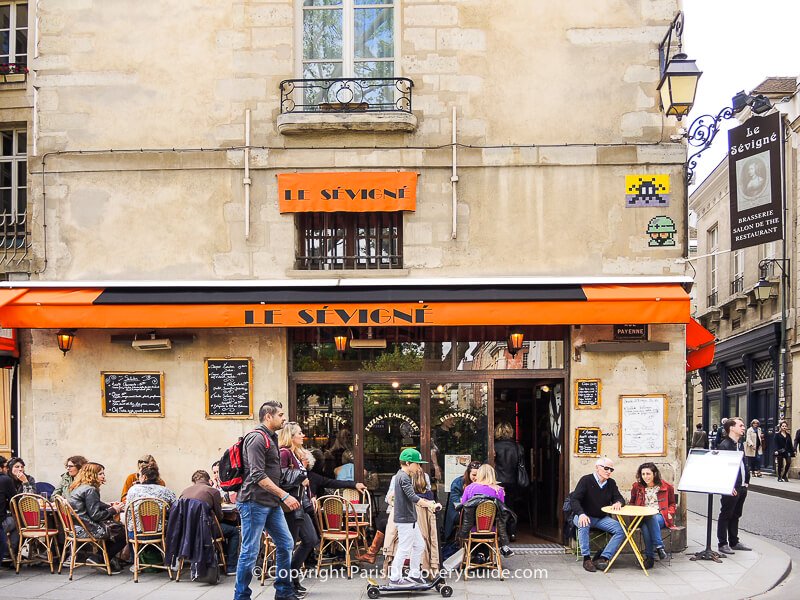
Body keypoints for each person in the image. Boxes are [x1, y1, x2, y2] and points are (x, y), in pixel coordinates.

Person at [235, 401, 300, 600]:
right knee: (250, 552)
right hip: (253, 502)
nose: (284, 418)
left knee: (286, 543)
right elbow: (257, 475)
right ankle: (241, 596)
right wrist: (285, 495)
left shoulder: (271, 438)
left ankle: (283, 591)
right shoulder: (256, 438)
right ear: (268, 417)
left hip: (270, 503)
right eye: (280, 415)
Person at [386, 448, 439, 587]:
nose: (419, 467)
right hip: (405, 520)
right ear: (408, 463)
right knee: (404, 549)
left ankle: (414, 575)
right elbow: (413, 497)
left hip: (409, 519)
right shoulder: (403, 477)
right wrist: (429, 505)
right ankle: (395, 578)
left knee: (419, 545)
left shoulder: (402, 476)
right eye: (417, 463)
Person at [279, 422, 319, 597]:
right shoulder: (284, 453)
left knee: (311, 539)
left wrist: (310, 495)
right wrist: (301, 479)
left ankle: (293, 578)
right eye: (300, 433)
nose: (303, 436)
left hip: (301, 504)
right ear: (291, 436)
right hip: (290, 506)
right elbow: (281, 477)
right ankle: (288, 584)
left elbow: (303, 480)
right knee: (290, 544)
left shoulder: (295, 454)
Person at [68, 462, 126, 574]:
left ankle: (104, 558)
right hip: (86, 529)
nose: (103, 476)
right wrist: (113, 510)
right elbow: (96, 515)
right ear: (92, 475)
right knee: (122, 534)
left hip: (75, 527)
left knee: (115, 530)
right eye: (100, 474)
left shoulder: (80, 487)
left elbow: (95, 504)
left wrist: (110, 506)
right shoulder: (91, 490)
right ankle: (99, 558)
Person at [570, 457, 625, 573]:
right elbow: (574, 500)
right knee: (584, 523)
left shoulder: (611, 483)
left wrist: (618, 502)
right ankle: (586, 559)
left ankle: (603, 557)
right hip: (583, 515)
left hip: (601, 518)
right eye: (606, 468)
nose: (609, 471)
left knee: (621, 530)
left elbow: (619, 497)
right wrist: (581, 514)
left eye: (611, 469)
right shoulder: (586, 480)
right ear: (597, 468)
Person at [180, 469, 239, 575]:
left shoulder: (184, 492)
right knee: (234, 531)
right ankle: (231, 567)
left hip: (187, 532)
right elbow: (219, 516)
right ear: (208, 480)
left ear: (194, 481)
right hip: (207, 531)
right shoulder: (212, 491)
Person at [628, 462, 676, 569]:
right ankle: (659, 547)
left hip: (660, 516)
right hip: (641, 517)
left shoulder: (666, 487)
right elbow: (632, 502)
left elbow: (672, 503)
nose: (645, 477)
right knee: (646, 523)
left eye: (648, 474)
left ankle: (650, 558)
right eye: (643, 474)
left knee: (650, 519)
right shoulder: (637, 487)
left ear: (654, 474)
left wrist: (670, 513)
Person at [460, 463, 514, 557]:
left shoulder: (469, 488)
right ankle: (491, 553)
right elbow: (501, 510)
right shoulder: (499, 490)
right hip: (492, 528)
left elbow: (463, 506)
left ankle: (475, 556)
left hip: (472, 527)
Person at [717, 416, 751, 555]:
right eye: (741, 425)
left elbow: (743, 465)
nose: (743, 427)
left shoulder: (739, 444)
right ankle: (722, 543)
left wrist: (746, 481)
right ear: (731, 428)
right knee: (726, 513)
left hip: (742, 486)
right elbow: (722, 469)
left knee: (736, 514)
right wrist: (728, 486)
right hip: (731, 487)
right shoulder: (724, 445)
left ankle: (734, 541)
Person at [493, 422, 525, 540]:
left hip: (497, 482)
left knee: (497, 507)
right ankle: (511, 532)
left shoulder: (494, 446)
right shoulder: (518, 447)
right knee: (511, 506)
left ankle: (499, 533)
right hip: (513, 481)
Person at [443, 461, 481, 544]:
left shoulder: (482, 483)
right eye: (474, 475)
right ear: (468, 473)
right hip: (459, 512)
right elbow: (456, 502)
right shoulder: (458, 483)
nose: (476, 478)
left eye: (479, 475)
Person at [0, 455, 17, 566]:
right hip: (1, 521)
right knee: (18, 523)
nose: (7, 469)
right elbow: (15, 499)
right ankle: (11, 554)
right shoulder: (5, 479)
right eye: (6, 467)